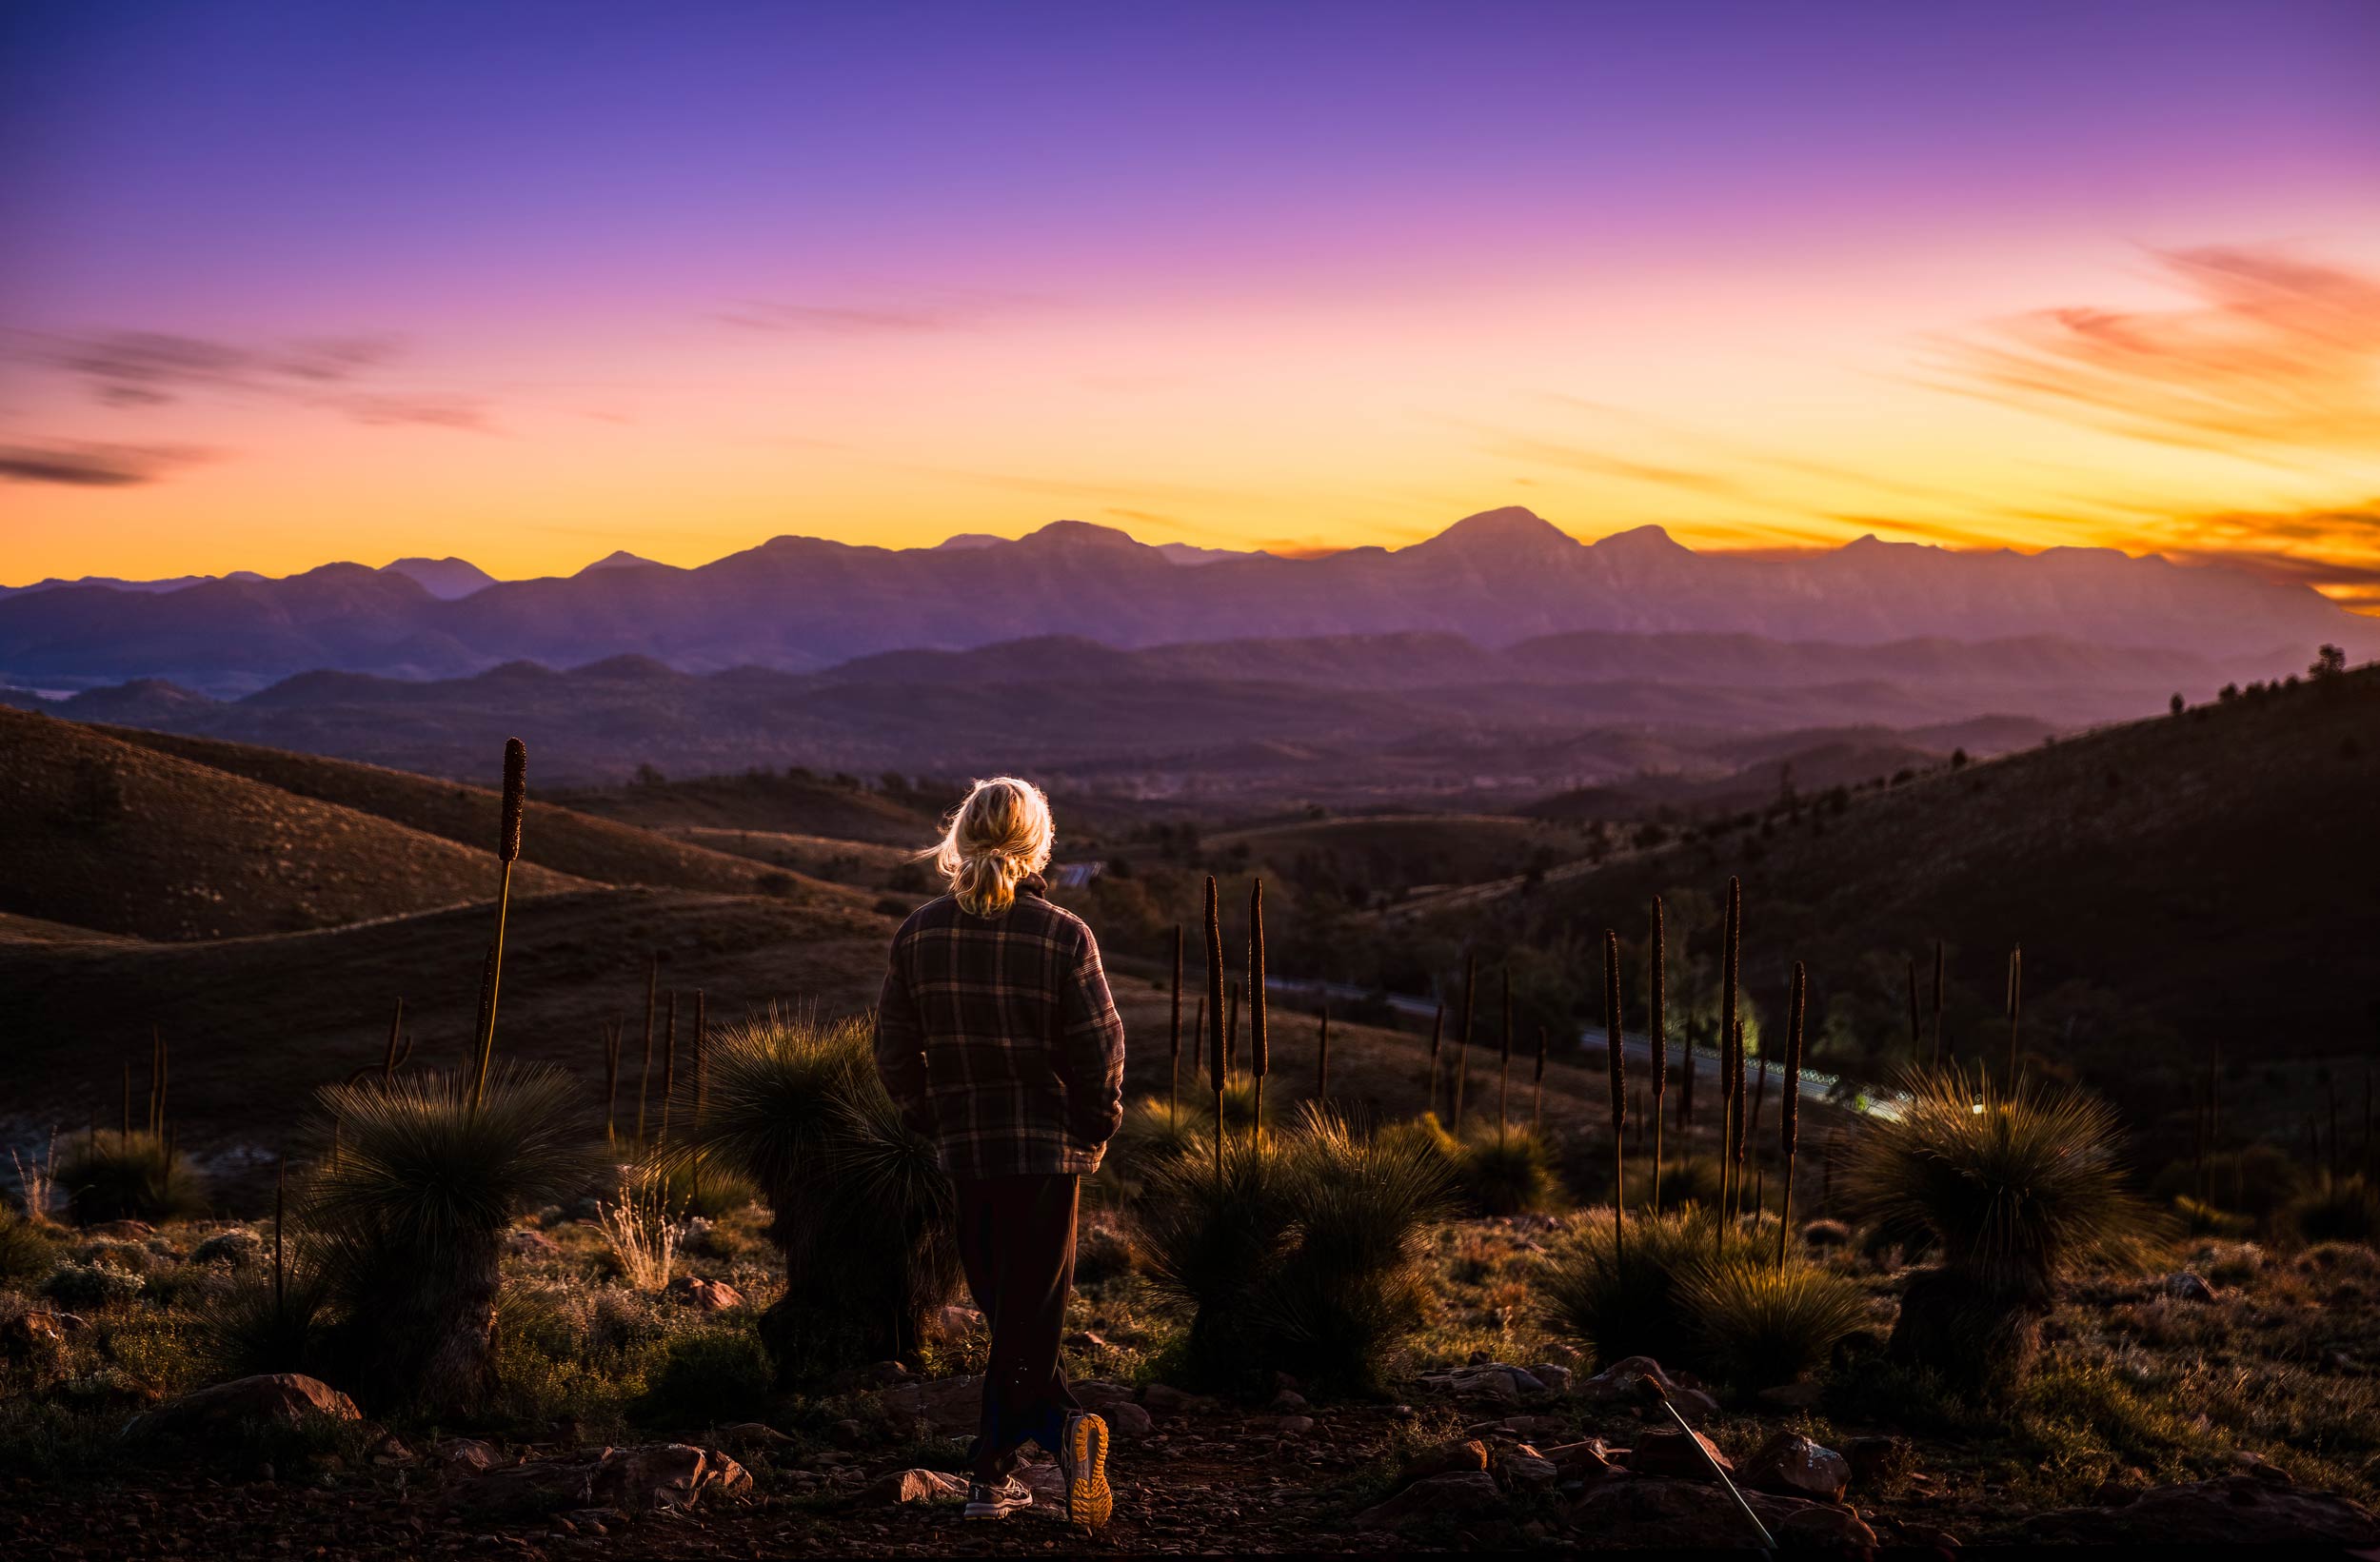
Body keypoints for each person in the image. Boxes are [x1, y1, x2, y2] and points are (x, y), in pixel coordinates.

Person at [872, 776, 1126, 1525]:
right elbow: (1100, 1047)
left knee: (1007, 1306)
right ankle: (1060, 1430)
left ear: (960, 840)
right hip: (1048, 1155)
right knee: (1029, 1310)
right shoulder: (1063, 933)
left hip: (968, 1149)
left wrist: (930, 1115)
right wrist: (1095, 1123)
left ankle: (991, 1474)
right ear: (1036, 844)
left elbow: (893, 1047)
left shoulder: (918, 932)